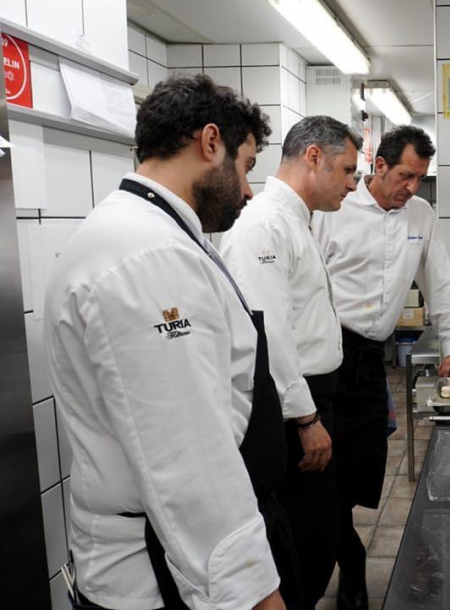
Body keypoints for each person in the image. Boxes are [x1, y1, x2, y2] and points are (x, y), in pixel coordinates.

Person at [44, 74, 298, 610]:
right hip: (156, 572)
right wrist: (255, 595)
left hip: (171, 552)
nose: (249, 190)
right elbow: (187, 458)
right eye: (247, 166)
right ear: (210, 143)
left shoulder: (152, 234)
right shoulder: (147, 255)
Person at [311, 125, 450, 609]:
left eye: (420, 178)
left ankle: (348, 553)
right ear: (377, 166)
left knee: (361, 469)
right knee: (323, 472)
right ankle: (350, 564)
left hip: (368, 361)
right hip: (323, 356)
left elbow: (440, 281)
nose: (412, 187)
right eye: (405, 175)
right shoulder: (333, 212)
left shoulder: (420, 215)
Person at [220, 115, 361, 609]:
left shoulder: (296, 219)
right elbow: (269, 333)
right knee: (303, 540)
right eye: (347, 171)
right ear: (313, 157)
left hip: (314, 398)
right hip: (289, 412)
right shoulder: (263, 224)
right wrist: (306, 418)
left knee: (321, 532)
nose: (352, 184)